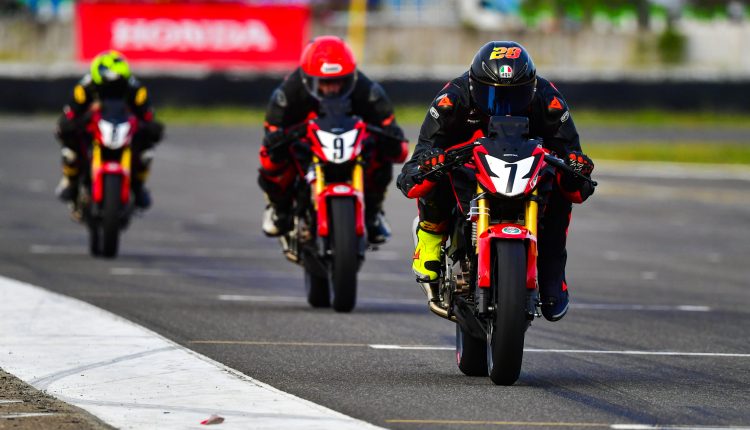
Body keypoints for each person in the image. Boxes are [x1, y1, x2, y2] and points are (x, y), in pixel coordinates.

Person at [396, 41, 595, 322]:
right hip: (466, 164)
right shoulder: (452, 99)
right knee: (432, 170)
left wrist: (577, 166)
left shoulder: (548, 100)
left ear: (531, 87)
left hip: (526, 167)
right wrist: (431, 163)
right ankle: (429, 237)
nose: (505, 105)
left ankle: (552, 271)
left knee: (562, 181)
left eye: (516, 95)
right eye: (494, 95)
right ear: (474, 85)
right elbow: (414, 167)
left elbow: (575, 162)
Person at [259, 35, 408, 244]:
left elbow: (391, 131)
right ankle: (279, 209)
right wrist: (279, 137)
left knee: (381, 155)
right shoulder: (289, 92)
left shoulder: (367, 90)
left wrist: (391, 138)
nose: (332, 88)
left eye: (338, 82)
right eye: (325, 82)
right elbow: (271, 133)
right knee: (271, 159)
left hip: (352, 143)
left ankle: (373, 212)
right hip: (305, 142)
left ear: (349, 77)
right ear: (308, 79)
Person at [55, 50, 164, 210]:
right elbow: (70, 113)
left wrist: (152, 126)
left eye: (117, 87)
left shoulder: (136, 89)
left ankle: (138, 185)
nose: (113, 90)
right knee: (69, 147)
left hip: (124, 129)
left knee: (146, 151)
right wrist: (70, 123)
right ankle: (70, 181)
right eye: (108, 88)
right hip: (92, 130)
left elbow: (148, 116)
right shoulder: (85, 88)